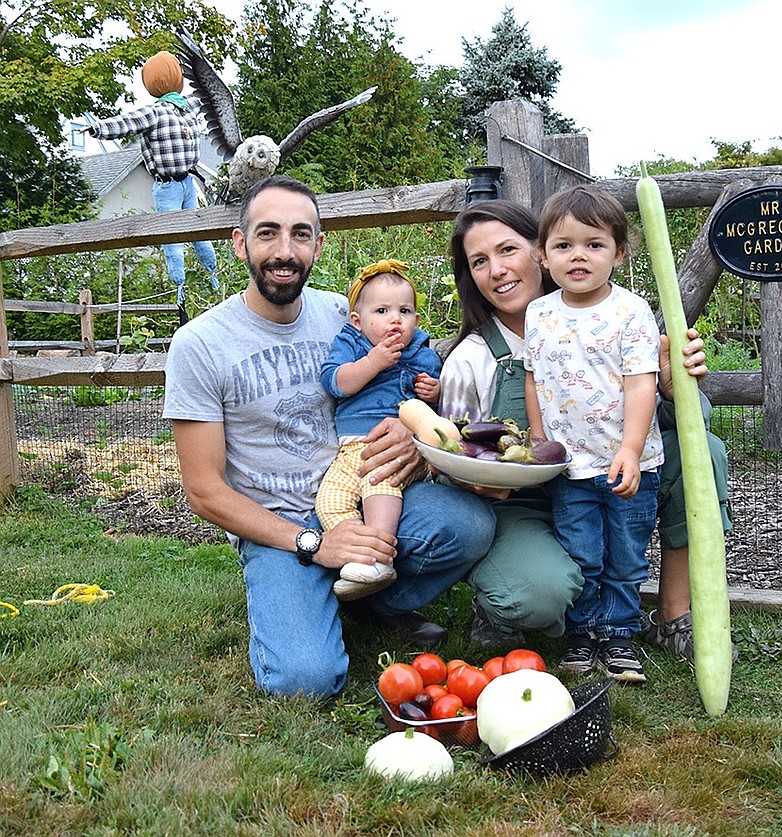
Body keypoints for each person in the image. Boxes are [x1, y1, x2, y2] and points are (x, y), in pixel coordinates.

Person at [162, 175, 495, 700]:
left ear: (319, 244)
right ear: (239, 242)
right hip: (281, 525)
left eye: (300, 234)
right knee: (305, 681)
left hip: (364, 486)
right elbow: (205, 490)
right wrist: (313, 543)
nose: (284, 251)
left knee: (469, 523)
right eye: (267, 233)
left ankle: (367, 602)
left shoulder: (347, 314)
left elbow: (397, 385)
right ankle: (310, 590)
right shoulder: (200, 344)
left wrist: (410, 439)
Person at [439, 198, 733, 662]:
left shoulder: (619, 317)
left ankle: (672, 616)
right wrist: (473, 477)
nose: (496, 270)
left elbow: (697, 426)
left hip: (613, 472)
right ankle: (505, 601)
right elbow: (451, 455)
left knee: (707, 452)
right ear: (551, 251)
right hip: (527, 505)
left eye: (507, 250)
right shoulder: (470, 359)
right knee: (535, 595)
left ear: (535, 251)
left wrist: (677, 388)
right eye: (479, 261)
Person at [524, 186, 664, 683]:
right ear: (543, 256)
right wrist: (540, 442)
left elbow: (641, 381)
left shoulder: (631, 312)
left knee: (626, 556)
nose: (578, 255)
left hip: (630, 463)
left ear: (619, 254)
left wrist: (629, 447)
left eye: (594, 244)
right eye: (563, 245)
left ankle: (621, 634)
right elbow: (534, 377)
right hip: (570, 466)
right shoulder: (539, 313)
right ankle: (581, 633)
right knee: (581, 552)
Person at [317, 259, 442, 601]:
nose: (395, 319)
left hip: (392, 447)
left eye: (405, 310)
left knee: (380, 486)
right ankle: (361, 556)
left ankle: (378, 560)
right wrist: (373, 362)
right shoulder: (352, 344)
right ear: (358, 320)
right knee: (330, 501)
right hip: (349, 449)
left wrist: (434, 391)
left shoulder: (419, 351)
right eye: (383, 310)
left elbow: (430, 410)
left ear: (416, 319)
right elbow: (336, 383)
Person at [84, 50, 219, 318]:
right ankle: (181, 290)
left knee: (199, 232)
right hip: (168, 185)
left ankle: (213, 275)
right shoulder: (156, 113)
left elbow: (207, 97)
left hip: (186, 182)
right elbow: (125, 124)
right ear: (178, 78)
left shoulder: (186, 106)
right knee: (172, 240)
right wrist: (97, 129)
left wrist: (96, 128)